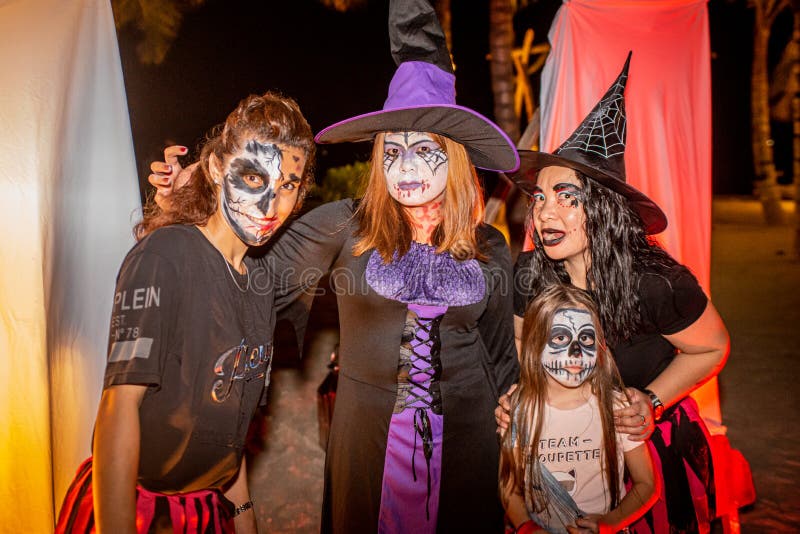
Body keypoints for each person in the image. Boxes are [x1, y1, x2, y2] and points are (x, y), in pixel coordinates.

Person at [149, 2, 520, 531]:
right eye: (391, 151)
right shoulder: (347, 224)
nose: (406, 166)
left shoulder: (490, 246)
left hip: (467, 443)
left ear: (456, 155)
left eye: (425, 150)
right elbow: (247, 268)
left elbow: (501, 358)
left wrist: (518, 417)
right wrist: (187, 206)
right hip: (368, 445)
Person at [55, 91, 315, 534]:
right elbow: (118, 409)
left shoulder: (259, 285)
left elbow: (228, 444)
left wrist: (244, 524)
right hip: (138, 512)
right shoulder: (165, 254)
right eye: (253, 178)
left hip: (206, 515)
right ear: (217, 168)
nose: (271, 205)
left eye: (286, 186)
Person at [501, 54, 730, 533]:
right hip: (559, 450)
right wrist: (523, 392)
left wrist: (650, 400)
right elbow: (523, 344)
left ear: (603, 209)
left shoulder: (658, 281)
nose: (545, 212)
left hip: (647, 450)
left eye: (567, 196)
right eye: (540, 197)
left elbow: (712, 347)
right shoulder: (528, 276)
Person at [500, 284, 659, 534]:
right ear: (535, 345)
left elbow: (647, 484)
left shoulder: (616, 407)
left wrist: (612, 521)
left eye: (585, 338)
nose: (576, 352)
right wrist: (526, 526)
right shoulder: (520, 410)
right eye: (561, 338)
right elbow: (508, 483)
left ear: (599, 346)